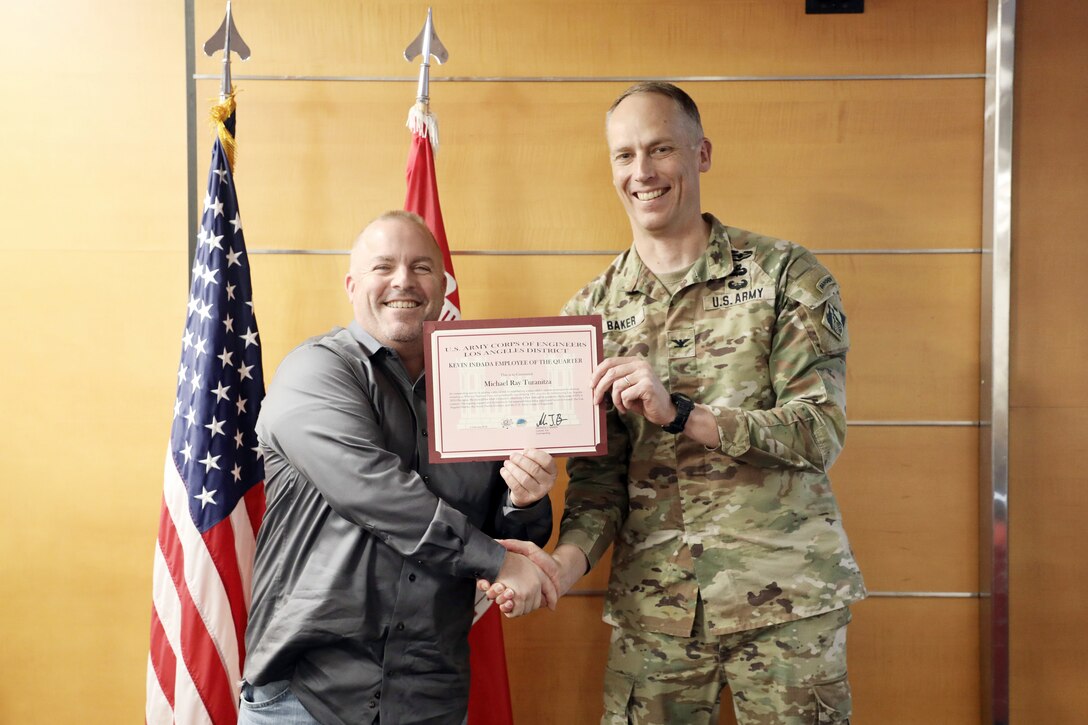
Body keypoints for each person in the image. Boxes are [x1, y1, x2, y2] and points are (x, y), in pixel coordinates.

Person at [486, 82, 866, 723]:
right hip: (656, 614)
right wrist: (557, 569)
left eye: (660, 149)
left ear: (701, 154)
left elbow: (818, 431)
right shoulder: (588, 316)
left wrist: (683, 413)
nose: (642, 172)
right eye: (624, 155)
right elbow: (599, 484)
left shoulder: (785, 276)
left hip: (787, 606)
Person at [240, 210, 559, 725]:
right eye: (382, 266)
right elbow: (374, 491)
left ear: (443, 284)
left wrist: (523, 499)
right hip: (304, 699)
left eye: (421, 267)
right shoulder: (315, 371)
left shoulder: (480, 390)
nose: (403, 281)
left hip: (429, 697)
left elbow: (504, 532)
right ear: (352, 284)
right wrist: (500, 562)